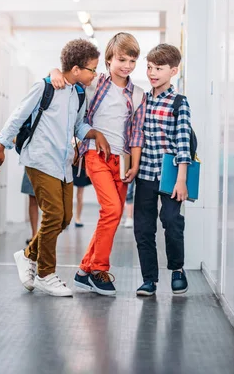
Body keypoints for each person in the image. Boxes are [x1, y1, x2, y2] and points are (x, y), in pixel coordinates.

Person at [0, 39, 100, 297]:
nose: (94, 74)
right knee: (52, 215)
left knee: (64, 218)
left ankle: (28, 255)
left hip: (63, 163)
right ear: (75, 69)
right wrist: (0, 147)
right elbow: (18, 115)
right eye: (91, 69)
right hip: (40, 159)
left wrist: (93, 134)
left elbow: (79, 125)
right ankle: (45, 274)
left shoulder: (79, 93)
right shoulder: (44, 87)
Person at [50, 32, 146, 296]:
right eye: (121, 59)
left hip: (123, 160)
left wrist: (134, 165)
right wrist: (54, 71)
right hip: (95, 154)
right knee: (113, 209)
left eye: (132, 60)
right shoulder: (95, 85)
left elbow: (137, 134)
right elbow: (71, 75)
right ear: (109, 59)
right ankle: (99, 269)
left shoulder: (138, 95)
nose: (127, 65)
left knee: (111, 216)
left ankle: (84, 271)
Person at [134, 43, 192, 296]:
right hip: (145, 173)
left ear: (173, 71)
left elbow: (183, 144)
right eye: (149, 67)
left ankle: (177, 270)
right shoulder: (142, 100)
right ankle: (149, 279)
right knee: (144, 228)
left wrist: (181, 180)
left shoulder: (179, 102)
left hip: (169, 175)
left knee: (171, 221)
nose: (152, 73)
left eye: (159, 68)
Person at [0, 119, 38, 245]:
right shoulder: (29, 126)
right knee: (33, 200)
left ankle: (41, 235)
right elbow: (15, 139)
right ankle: (35, 235)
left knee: (44, 203)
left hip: (46, 165)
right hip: (31, 165)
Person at [72, 140, 93, 228]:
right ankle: (68, 218)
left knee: (79, 195)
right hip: (71, 164)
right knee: (68, 194)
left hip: (80, 164)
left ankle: (77, 218)